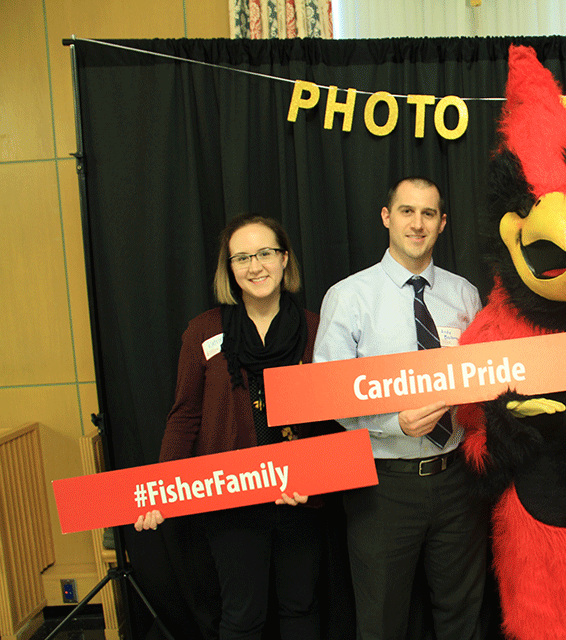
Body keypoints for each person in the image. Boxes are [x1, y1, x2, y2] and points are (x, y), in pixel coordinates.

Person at [135, 214, 324, 640]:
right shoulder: (203, 331)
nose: (255, 266)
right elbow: (185, 417)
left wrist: (320, 476)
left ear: (284, 259)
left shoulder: (315, 328)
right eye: (242, 257)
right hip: (231, 498)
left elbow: (335, 417)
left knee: (301, 608)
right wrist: (162, 487)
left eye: (265, 253)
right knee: (242, 616)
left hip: (299, 495)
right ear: (230, 268)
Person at [313, 176, 486, 640]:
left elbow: (484, 374)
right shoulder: (348, 297)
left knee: (461, 615)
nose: (417, 223)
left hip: (458, 482)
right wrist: (395, 423)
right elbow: (328, 394)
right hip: (383, 488)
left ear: (443, 223)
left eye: (428, 213)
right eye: (407, 211)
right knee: (383, 621)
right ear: (387, 217)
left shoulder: (465, 295)